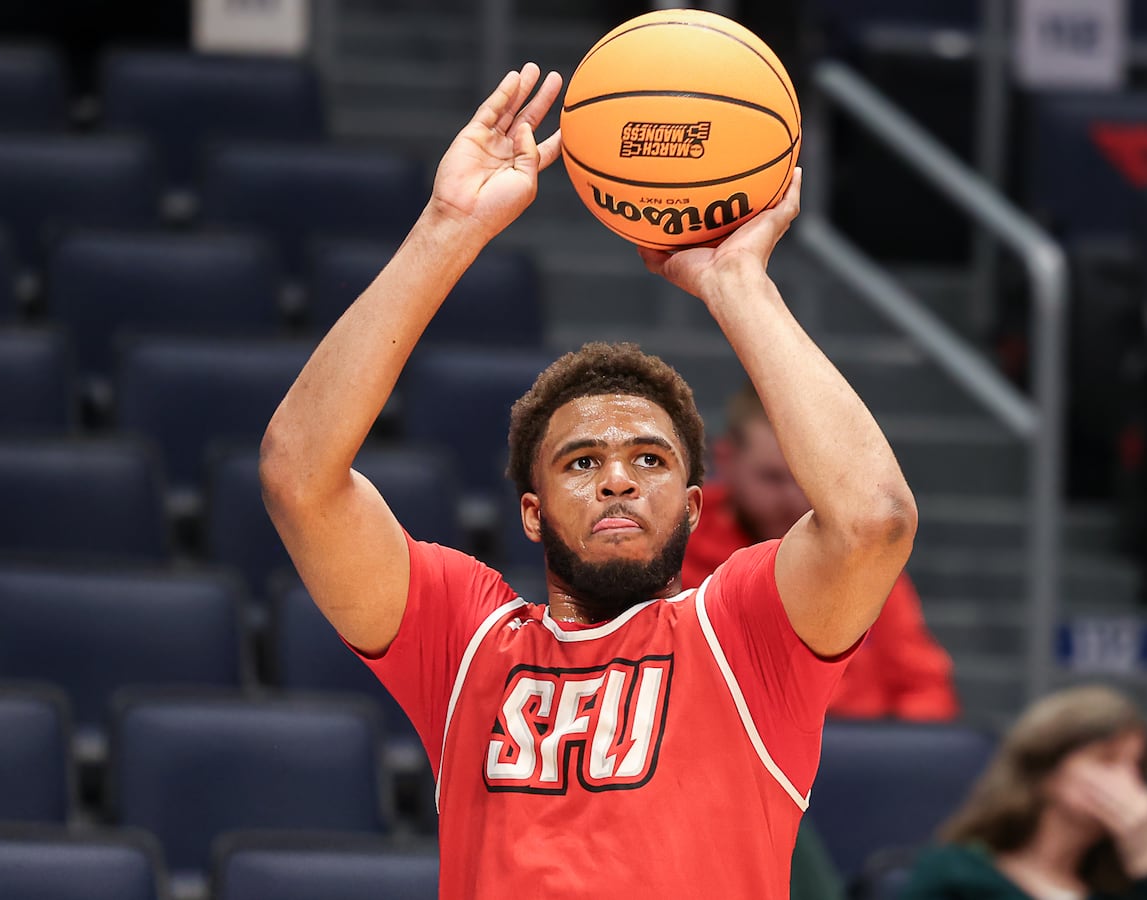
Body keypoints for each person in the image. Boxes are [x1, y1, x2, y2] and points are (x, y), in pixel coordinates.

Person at [260, 63, 918, 899]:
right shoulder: (465, 643)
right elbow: (298, 475)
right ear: (530, 514)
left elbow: (876, 520)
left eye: (649, 459)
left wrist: (736, 282)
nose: (617, 479)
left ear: (691, 506)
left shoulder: (744, 635)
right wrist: (449, 225)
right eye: (581, 462)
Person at [683, 383, 958, 721]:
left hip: (849, 751)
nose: (793, 499)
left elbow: (927, 689)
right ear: (726, 459)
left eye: (805, 481)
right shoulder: (677, 540)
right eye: (772, 478)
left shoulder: (861, 547)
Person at [901, 686, 1147, 900]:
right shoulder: (957, 875)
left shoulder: (1124, 893)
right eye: (1107, 760)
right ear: (1047, 768)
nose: (1129, 781)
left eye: (1137, 767)